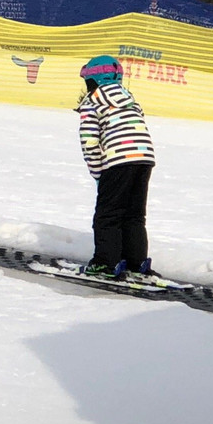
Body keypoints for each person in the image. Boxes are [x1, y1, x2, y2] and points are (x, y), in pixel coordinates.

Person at [76, 55, 156, 278]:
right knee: (134, 214)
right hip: (145, 157)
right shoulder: (130, 99)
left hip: (118, 159)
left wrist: (98, 173)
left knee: (107, 214)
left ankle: (106, 263)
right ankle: (136, 261)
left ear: (93, 82)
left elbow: (90, 142)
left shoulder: (92, 102)